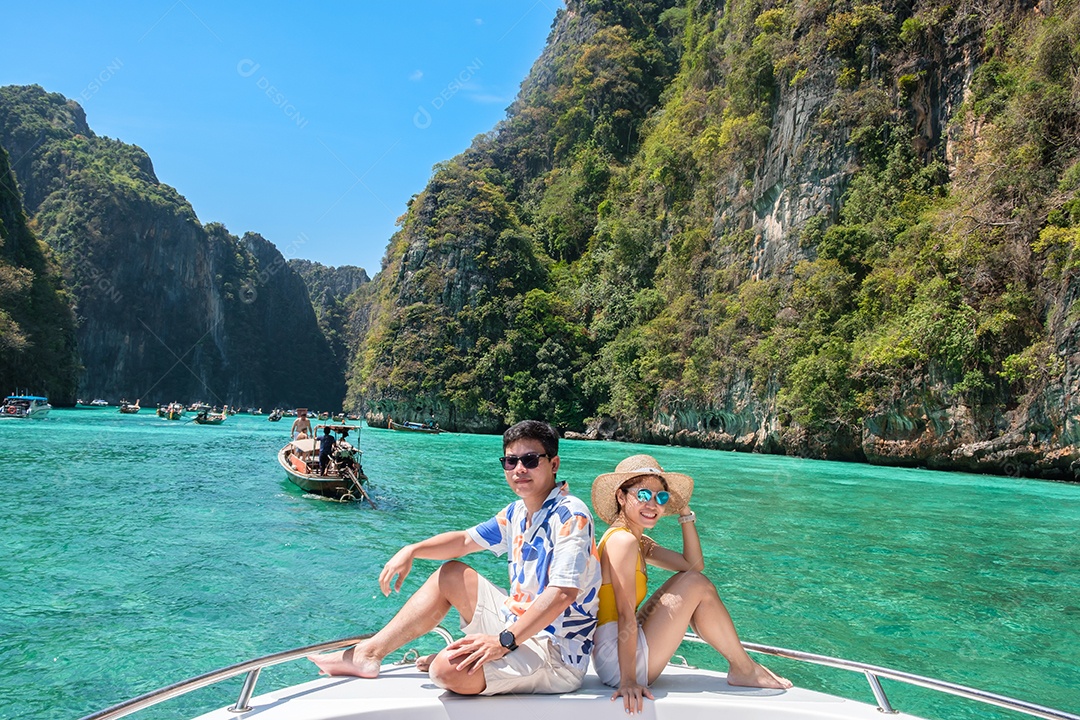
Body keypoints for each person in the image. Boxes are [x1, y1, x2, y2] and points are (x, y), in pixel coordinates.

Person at [308, 419, 601, 696]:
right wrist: (412, 550)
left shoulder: (570, 514)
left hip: (556, 653)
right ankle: (368, 654)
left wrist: (504, 641)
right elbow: (463, 540)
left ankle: (475, 657)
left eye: (530, 460)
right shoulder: (518, 513)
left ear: (554, 464)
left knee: (445, 671)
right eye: (511, 461)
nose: (519, 469)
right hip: (519, 624)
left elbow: (563, 592)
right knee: (450, 574)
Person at [590, 454, 791, 714]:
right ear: (621, 496)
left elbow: (692, 563)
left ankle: (744, 667)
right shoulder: (623, 542)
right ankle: (744, 668)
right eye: (642, 495)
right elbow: (626, 613)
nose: (653, 504)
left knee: (691, 580)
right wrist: (629, 681)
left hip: (620, 647)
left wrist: (685, 512)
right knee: (694, 584)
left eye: (661, 497)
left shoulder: (638, 541)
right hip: (618, 660)